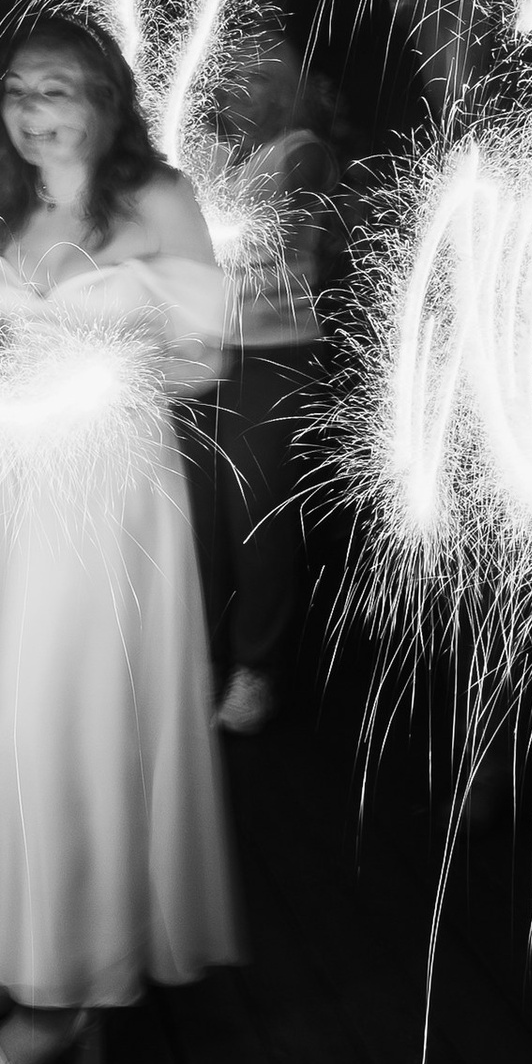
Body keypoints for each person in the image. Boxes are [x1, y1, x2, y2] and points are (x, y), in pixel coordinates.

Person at [0, 17, 244, 1064]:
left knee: (77, 713)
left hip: (111, 489)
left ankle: (63, 994)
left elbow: (204, 358)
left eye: (61, 88)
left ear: (105, 98)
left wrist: (99, 379)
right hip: (22, 495)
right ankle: (29, 944)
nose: (34, 109)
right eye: (20, 89)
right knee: (16, 705)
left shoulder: (159, 198)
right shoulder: (8, 204)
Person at [189, 46, 346, 737]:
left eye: (260, 77)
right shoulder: (210, 156)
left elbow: (295, 220)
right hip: (201, 353)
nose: (242, 89)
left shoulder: (300, 153)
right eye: (235, 75)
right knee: (200, 515)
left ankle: (257, 666)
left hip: (272, 357)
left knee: (255, 518)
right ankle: (201, 654)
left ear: (287, 88)